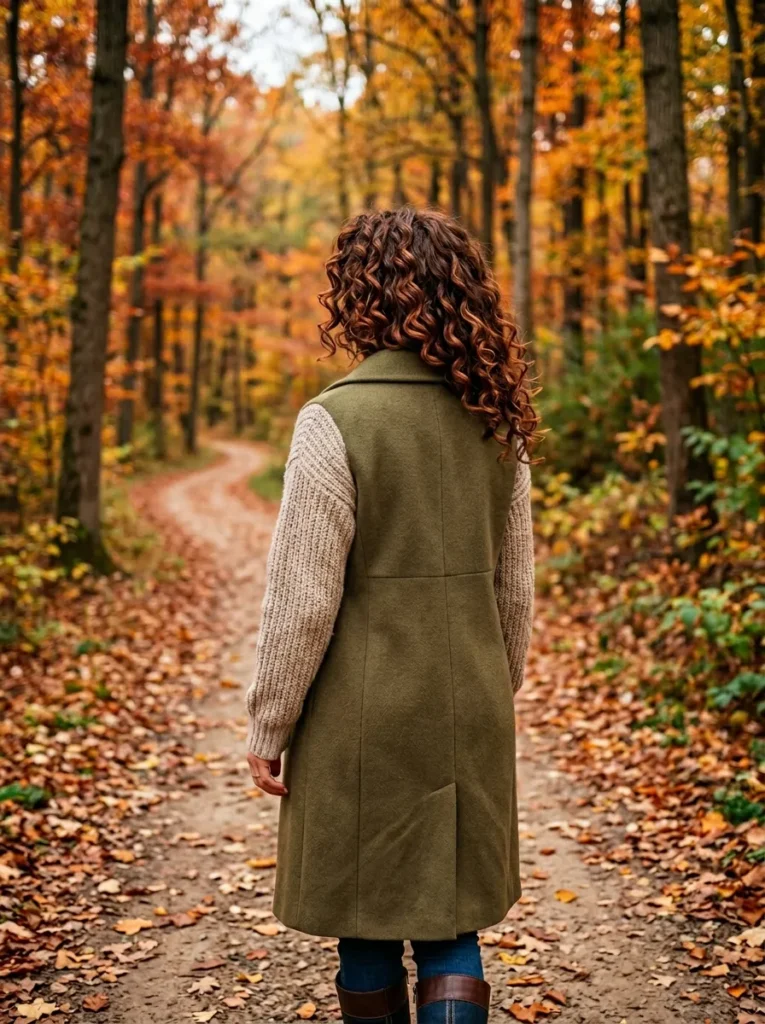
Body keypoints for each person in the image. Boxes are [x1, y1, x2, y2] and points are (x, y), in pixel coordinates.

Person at [246, 207, 537, 1024]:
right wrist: (489, 685)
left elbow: (301, 602)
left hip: (359, 716)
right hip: (467, 703)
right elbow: (514, 592)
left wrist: (270, 723)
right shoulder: (495, 422)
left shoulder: (333, 420)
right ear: (463, 294)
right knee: (452, 921)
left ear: (358, 296)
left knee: (366, 925)